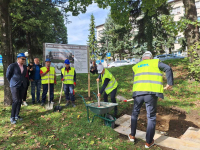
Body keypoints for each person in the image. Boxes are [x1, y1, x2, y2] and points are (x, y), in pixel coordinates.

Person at [128, 51, 173, 148]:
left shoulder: (136, 66)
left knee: (135, 113)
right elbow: (168, 68)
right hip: (151, 94)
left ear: (143, 58)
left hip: (138, 93)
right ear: (151, 58)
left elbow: (135, 78)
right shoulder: (155, 62)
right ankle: (148, 142)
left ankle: (132, 136)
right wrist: (169, 83)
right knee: (151, 117)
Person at [6, 53, 27, 124]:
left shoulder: (24, 67)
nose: (24, 60)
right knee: (16, 101)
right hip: (14, 85)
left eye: (24, 59)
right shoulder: (12, 66)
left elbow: (23, 75)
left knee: (20, 101)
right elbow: (8, 75)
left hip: (22, 85)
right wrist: (12, 82)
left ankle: (16, 115)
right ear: (18, 58)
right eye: (22, 59)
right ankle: (12, 117)